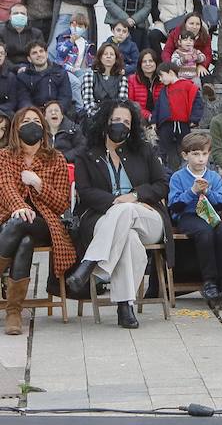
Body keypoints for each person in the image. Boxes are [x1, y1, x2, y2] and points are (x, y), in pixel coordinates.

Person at [64, 101, 172, 330]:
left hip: (147, 217)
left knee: (127, 210)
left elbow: (162, 185)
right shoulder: (87, 153)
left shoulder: (144, 150)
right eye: (116, 120)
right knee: (128, 239)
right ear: (105, 121)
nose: (120, 125)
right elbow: (85, 191)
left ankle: (91, 263)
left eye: (126, 122)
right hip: (104, 216)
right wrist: (114, 201)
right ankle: (125, 306)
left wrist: (134, 196)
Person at [0, 105, 76, 336]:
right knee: (23, 237)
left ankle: (14, 311)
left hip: (46, 223)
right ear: (16, 129)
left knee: (21, 225)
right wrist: (21, 207)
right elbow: (5, 187)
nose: (30, 125)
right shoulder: (4, 156)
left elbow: (61, 203)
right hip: (11, 219)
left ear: (42, 127)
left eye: (35, 120)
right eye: (25, 122)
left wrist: (38, 184)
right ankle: (14, 312)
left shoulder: (57, 158)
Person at [167, 130, 222, 307]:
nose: (200, 159)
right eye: (195, 154)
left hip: (210, 214)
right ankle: (209, 281)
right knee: (204, 232)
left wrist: (208, 192)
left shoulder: (213, 177)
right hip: (188, 216)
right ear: (185, 155)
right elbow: (174, 205)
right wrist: (192, 192)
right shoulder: (178, 177)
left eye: (204, 154)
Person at [152, 62, 204, 165]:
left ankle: (186, 167)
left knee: (186, 147)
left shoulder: (187, 86)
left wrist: (194, 118)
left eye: (161, 76)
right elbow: (158, 106)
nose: (160, 79)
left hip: (183, 124)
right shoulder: (164, 90)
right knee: (163, 148)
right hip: (166, 124)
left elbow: (197, 102)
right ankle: (161, 167)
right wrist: (154, 121)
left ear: (171, 73)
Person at [17, 41, 74, 117]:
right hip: (35, 115)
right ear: (29, 59)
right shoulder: (23, 77)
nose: (39, 55)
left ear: (47, 54)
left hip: (58, 113)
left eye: (41, 51)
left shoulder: (60, 73)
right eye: (34, 53)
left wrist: (54, 112)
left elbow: (65, 97)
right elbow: (24, 100)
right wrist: (36, 114)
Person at [51, 12, 94, 102]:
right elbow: (61, 53)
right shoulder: (63, 37)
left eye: (80, 26)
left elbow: (90, 62)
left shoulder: (87, 43)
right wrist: (71, 41)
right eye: (74, 24)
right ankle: (79, 109)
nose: (76, 28)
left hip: (79, 71)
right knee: (76, 83)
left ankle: (88, 103)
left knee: (90, 77)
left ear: (85, 28)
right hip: (63, 69)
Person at [81, 43, 127, 119]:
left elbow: (122, 102)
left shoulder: (122, 79)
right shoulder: (89, 76)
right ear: (100, 57)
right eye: (105, 54)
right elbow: (88, 101)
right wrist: (99, 117)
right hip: (93, 118)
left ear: (116, 58)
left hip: (114, 118)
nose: (108, 56)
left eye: (111, 54)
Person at [124, 49, 161, 122]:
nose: (148, 64)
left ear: (156, 63)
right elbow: (132, 103)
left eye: (151, 61)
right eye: (144, 62)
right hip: (140, 117)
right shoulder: (132, 79)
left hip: (160, 116)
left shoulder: (162, 79)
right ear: (140, 64)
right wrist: (148, 116)